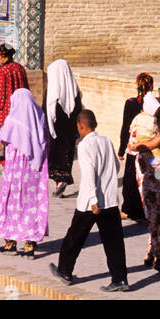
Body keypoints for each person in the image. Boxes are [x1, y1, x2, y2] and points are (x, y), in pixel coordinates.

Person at [50, 109, 130, 292]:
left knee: (75, 236)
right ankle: (120, 279)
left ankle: (65, 271)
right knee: (114, 241)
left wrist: (93, 199)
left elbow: (88, 175)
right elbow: (116, 166)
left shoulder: (85, 145)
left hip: (90, 202)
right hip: (110, 200)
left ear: (80, 126)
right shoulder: (106, 141)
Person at [0, 88, 49, 256]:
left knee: (11, 202)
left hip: (14, 172)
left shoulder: (13, 119)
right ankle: (30, 243)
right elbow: (46, 140)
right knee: (32, 204)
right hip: (34, 172)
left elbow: (2, 137)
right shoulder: (40, 117)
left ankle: (10, 243)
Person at [127, 93, 160, 272]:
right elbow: (132, 146)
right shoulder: (143, 121)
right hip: (147, 171)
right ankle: (156, 252)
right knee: (154, 212)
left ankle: (154, 250)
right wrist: (152, 144)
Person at [118, 72, 154, 221]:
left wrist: (121, 150)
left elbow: (126, 126)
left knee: (131, 180)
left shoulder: (131, 102)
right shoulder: (155, 103)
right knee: (152, 178)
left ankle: (129, 210)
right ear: (151, 85)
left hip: (134, 148)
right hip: (153, 148)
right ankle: (149, 210)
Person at [45, 59, 81, 196]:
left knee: (55, 157)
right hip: (70, 133)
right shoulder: (74, 91)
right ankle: (61, 183)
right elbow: (78, 111)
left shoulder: (52, 91)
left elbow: (47, 110)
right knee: (67, 157)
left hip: (55, 132)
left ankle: (59, 183)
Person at [0, 43, 28, 130]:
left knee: (6, 133)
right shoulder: (20, 68)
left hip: (6, 109)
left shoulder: (2, 71)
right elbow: (26, 88)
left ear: (2, 55)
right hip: (19, 107)